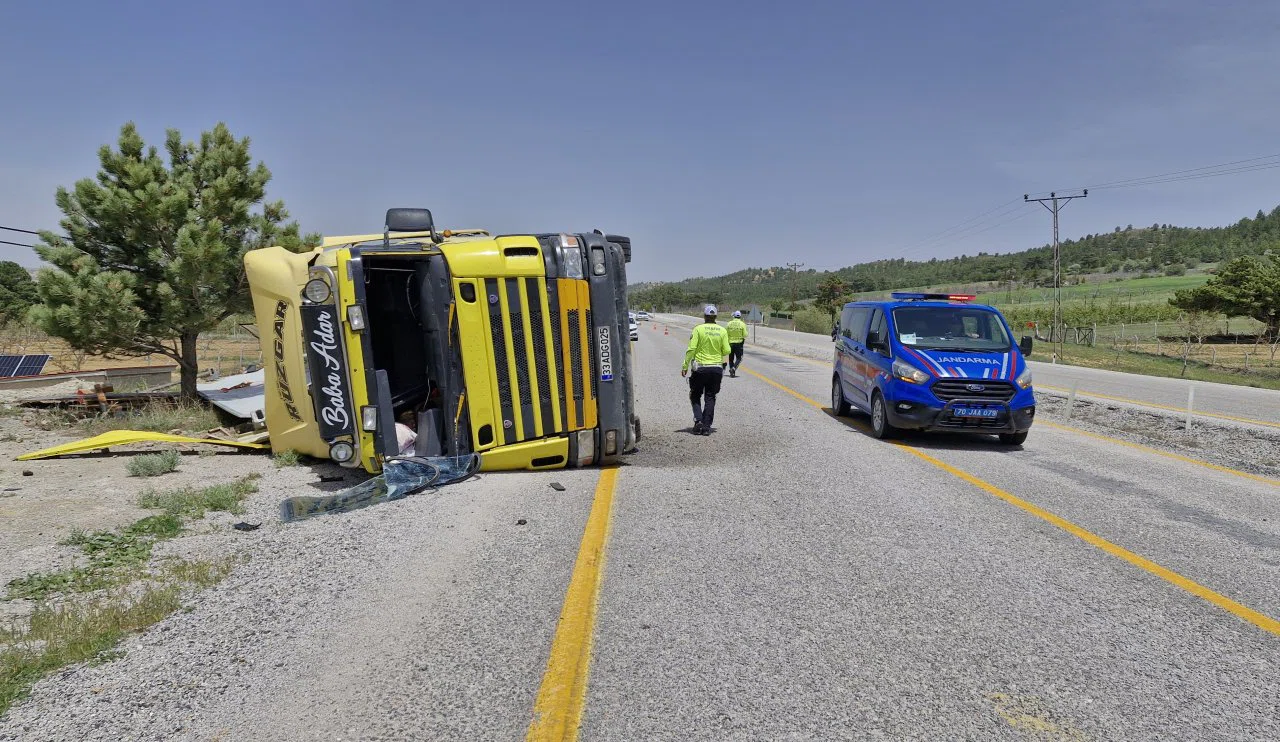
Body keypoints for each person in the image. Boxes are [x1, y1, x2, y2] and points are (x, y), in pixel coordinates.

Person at [681, 304, 731, 435]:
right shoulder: (722, 330)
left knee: (695, 394)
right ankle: (707, 427)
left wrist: (685, 366)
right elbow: (727, 350)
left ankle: (698, 421)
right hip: (716, 368)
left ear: (704, 316)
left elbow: (691, 349)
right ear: (715, 317)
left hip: (701, 368)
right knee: (710, 397)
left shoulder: (698, 329)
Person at [725, 310, 748, 377]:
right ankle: (734, 368)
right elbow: (745, 335)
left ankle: (732, 372)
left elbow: (725, 333)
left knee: (731, 359)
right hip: (739, 344)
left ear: (734, 316)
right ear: (740, 316)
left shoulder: (729, 323)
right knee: (739, 358)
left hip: (730, 343)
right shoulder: (742, 324)